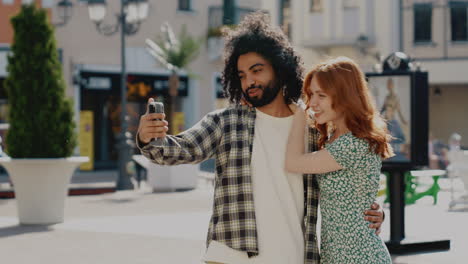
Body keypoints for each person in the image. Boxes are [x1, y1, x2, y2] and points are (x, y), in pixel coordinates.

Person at [136, 12, 384, 264]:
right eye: (242, 75)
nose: (249, 81)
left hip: (296, 256)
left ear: (279, 68)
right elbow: (176, 150)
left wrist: (373, 211)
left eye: (257, 71)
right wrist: (148, 138)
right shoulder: (226, 122)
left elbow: (347, 182)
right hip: (232, 256)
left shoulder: (311, 129)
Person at [285, 57, 393, 263]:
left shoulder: (353, 143)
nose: (312, 103)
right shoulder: (334, 138)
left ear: (345, 97)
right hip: (338, 256)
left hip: (359, 257)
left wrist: (299, 114)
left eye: (321, 95)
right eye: (311, 94)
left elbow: (292, 163)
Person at [381, 78, 408, 162]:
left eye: (390, 84)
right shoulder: (386, 97)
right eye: (387, 84)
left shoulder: (395, 97)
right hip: (386, 121)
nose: (388, 86)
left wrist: (403, 121)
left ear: (392, 85)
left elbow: (399, 111)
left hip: (393, 122)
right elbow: (382, 109)